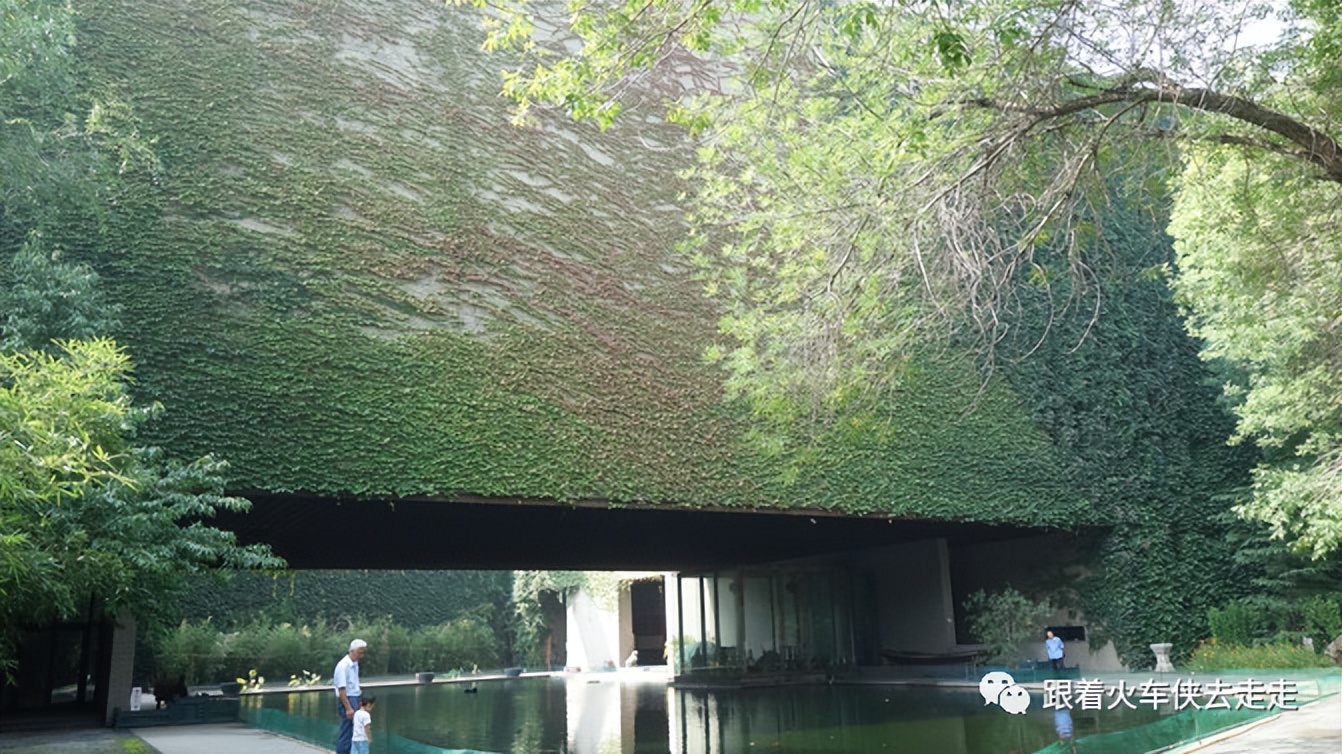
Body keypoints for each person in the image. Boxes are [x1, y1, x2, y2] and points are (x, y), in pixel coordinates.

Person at [333, 638, 367, 754]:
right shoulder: (343, 666)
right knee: (346, 730)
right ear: (352, 651)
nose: (361, 656)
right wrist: (348, 708)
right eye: (360, 652)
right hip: (348, 699)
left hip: (355, 697)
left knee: (355, 730)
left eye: (363, 653)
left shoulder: (354, 664)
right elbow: (341, 689)